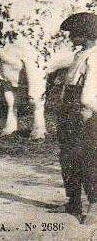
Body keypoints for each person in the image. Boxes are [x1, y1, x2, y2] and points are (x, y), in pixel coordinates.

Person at [56, 12, 97, 224]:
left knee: (88, 158)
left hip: (86, 112)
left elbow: (90, 87)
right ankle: (73, 200)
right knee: (68, 155)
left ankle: (94, 204)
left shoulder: (95, 56)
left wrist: (86, 109)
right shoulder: (80, 54)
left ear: (86, 34)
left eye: (74, 34)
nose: (71, 38)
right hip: (70, 110)